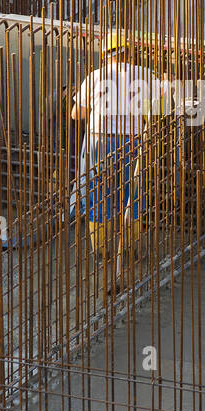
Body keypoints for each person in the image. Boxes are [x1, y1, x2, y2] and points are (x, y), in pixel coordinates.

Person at [69, 30, 168, 265]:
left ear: (105, 54)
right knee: (132, 197)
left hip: (99, 142)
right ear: (129, 53)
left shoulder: (95, 76)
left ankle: (102, 255)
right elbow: (157, 111)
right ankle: (132, 252)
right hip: (131, 142)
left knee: (98, 196)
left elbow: (77, 114)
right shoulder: (145, 75)